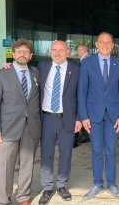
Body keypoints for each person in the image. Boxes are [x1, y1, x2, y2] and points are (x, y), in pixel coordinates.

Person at [0, 39, 40, 205]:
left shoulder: (35, 73)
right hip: (7, 128)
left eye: (26, 52)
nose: (22, 54)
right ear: (13, 54)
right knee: (4, 167)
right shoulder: (0, 74)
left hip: (30, 127)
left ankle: (23, 196)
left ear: (31, 55)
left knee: (27, 164)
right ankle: (4, 200)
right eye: (19, 51)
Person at [78, 32, 119, 199]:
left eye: (108, 42)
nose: (105, 44)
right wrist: (83, 116)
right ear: (96, 45)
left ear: (112, 45)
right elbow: (82, 91)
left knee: (111, 150)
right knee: (97, 150)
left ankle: (112, 183)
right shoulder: (87, 63)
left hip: (113, 115)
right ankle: (98, 183)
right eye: (102, 42)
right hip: (93, 115)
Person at [37, 41, 82, 205]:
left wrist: (79, 118)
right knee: (46, 154)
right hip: (46, 118)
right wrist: (7, 66)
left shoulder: (76, 69)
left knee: (66, 154)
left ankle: (62, 185)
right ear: (50, 52)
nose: (57, 53)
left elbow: (80, 95)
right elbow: (22, 70)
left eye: (61, 50)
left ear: (67, 52)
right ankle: (47, 188)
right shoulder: (42, 67)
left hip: (67, 118)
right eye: (54, 50)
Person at [74, 45, 90, 147]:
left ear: (83, 50)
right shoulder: (87, 60)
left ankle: (85, 134)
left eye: (78, 50)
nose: (77, 52)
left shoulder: (86, 61)